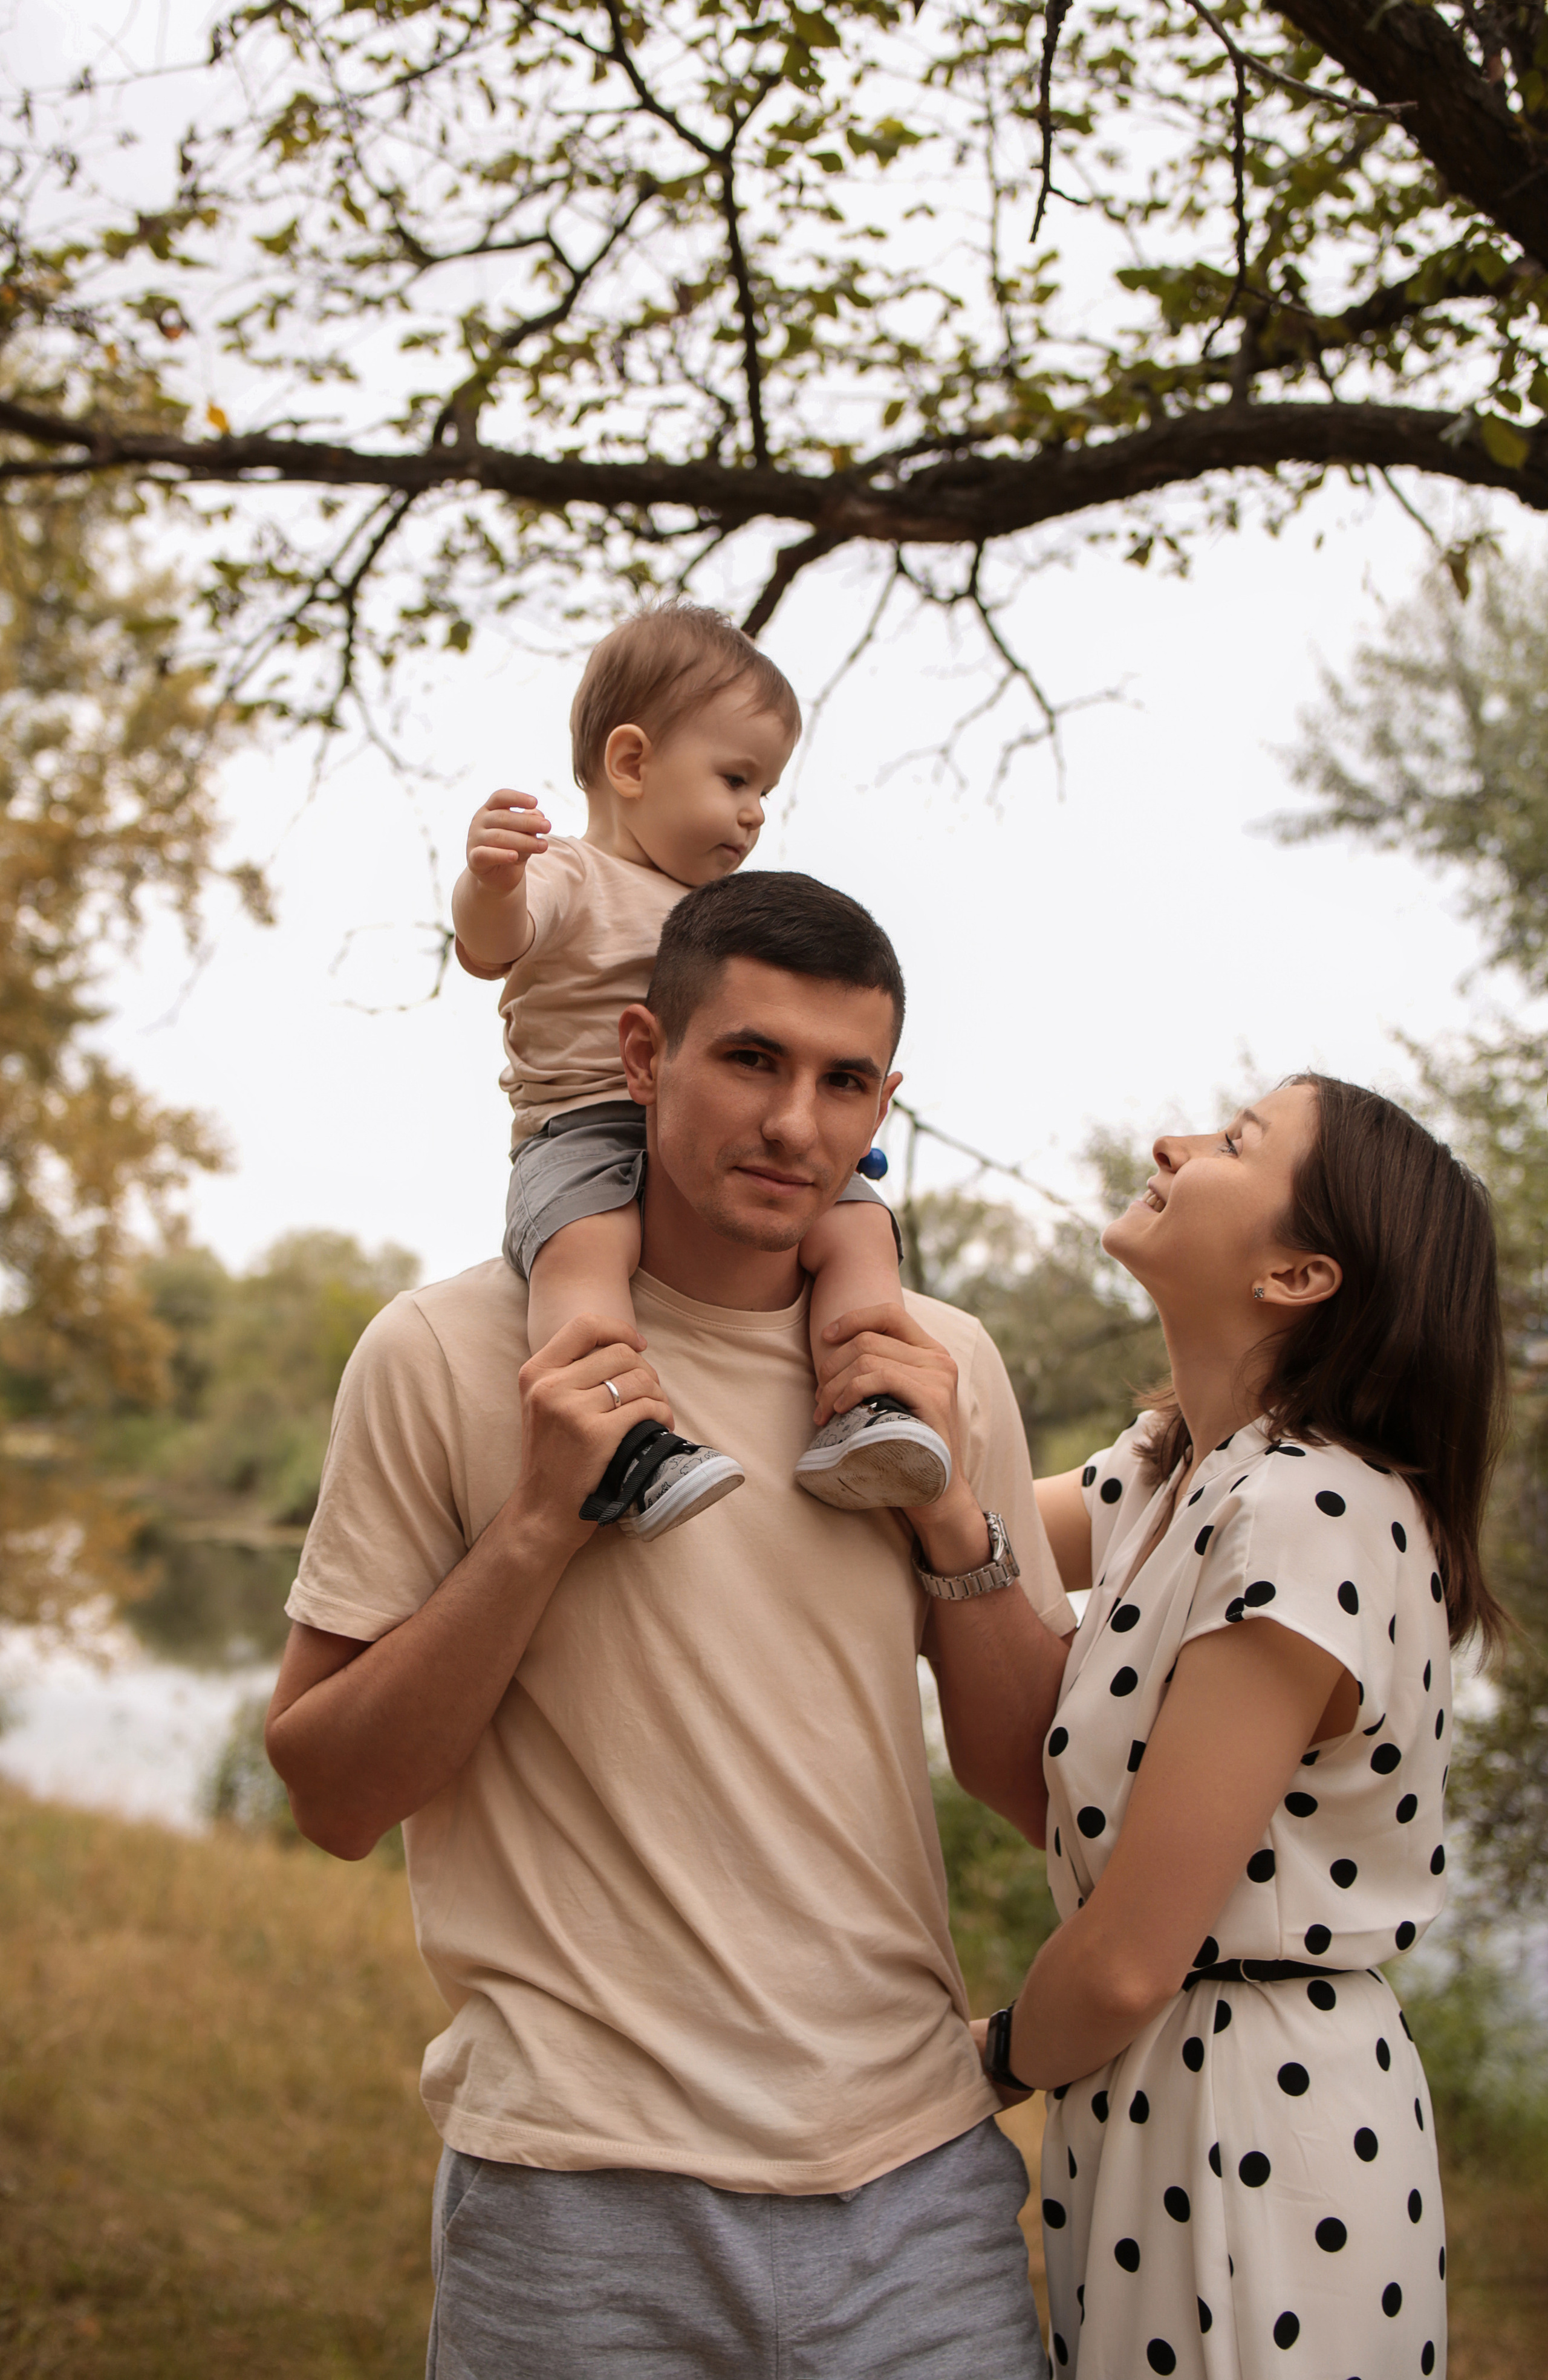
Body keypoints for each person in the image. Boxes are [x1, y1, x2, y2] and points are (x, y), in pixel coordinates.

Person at [265, 870, 1075, 2379]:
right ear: (643, 1058)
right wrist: (537, 1525)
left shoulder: (940, 1363)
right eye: (750, 1060)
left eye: (844, 1083)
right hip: (573, 2198)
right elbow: (328, 1793)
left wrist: (952, 1519)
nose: (795, 1126)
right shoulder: (440, 1353)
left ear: (886, 1099)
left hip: (916, 2179)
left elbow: (1032, 1785)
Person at [977, 1075, 1507, 2380]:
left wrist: (951, 2077)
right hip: (1156, 2095)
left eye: (1232, 1143)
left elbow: (1123, 1960)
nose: (1169, 1142)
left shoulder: (1311, 1507)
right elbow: (951, 1529)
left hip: (1253, 2116)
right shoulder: (1172, 1473)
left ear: (1296, 1273)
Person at [450, 603, 951, 1540]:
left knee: (858, 1230)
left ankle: (869, 1406)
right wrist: (490, 882)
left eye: (765, 788)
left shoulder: (722, 913)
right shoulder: (572, 874)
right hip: (587, 1128)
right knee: (587, 1253)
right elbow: (495, 946)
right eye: (736, 778)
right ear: (632, 764)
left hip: (710, 1135)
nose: (756, 811)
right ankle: (618, 1441)